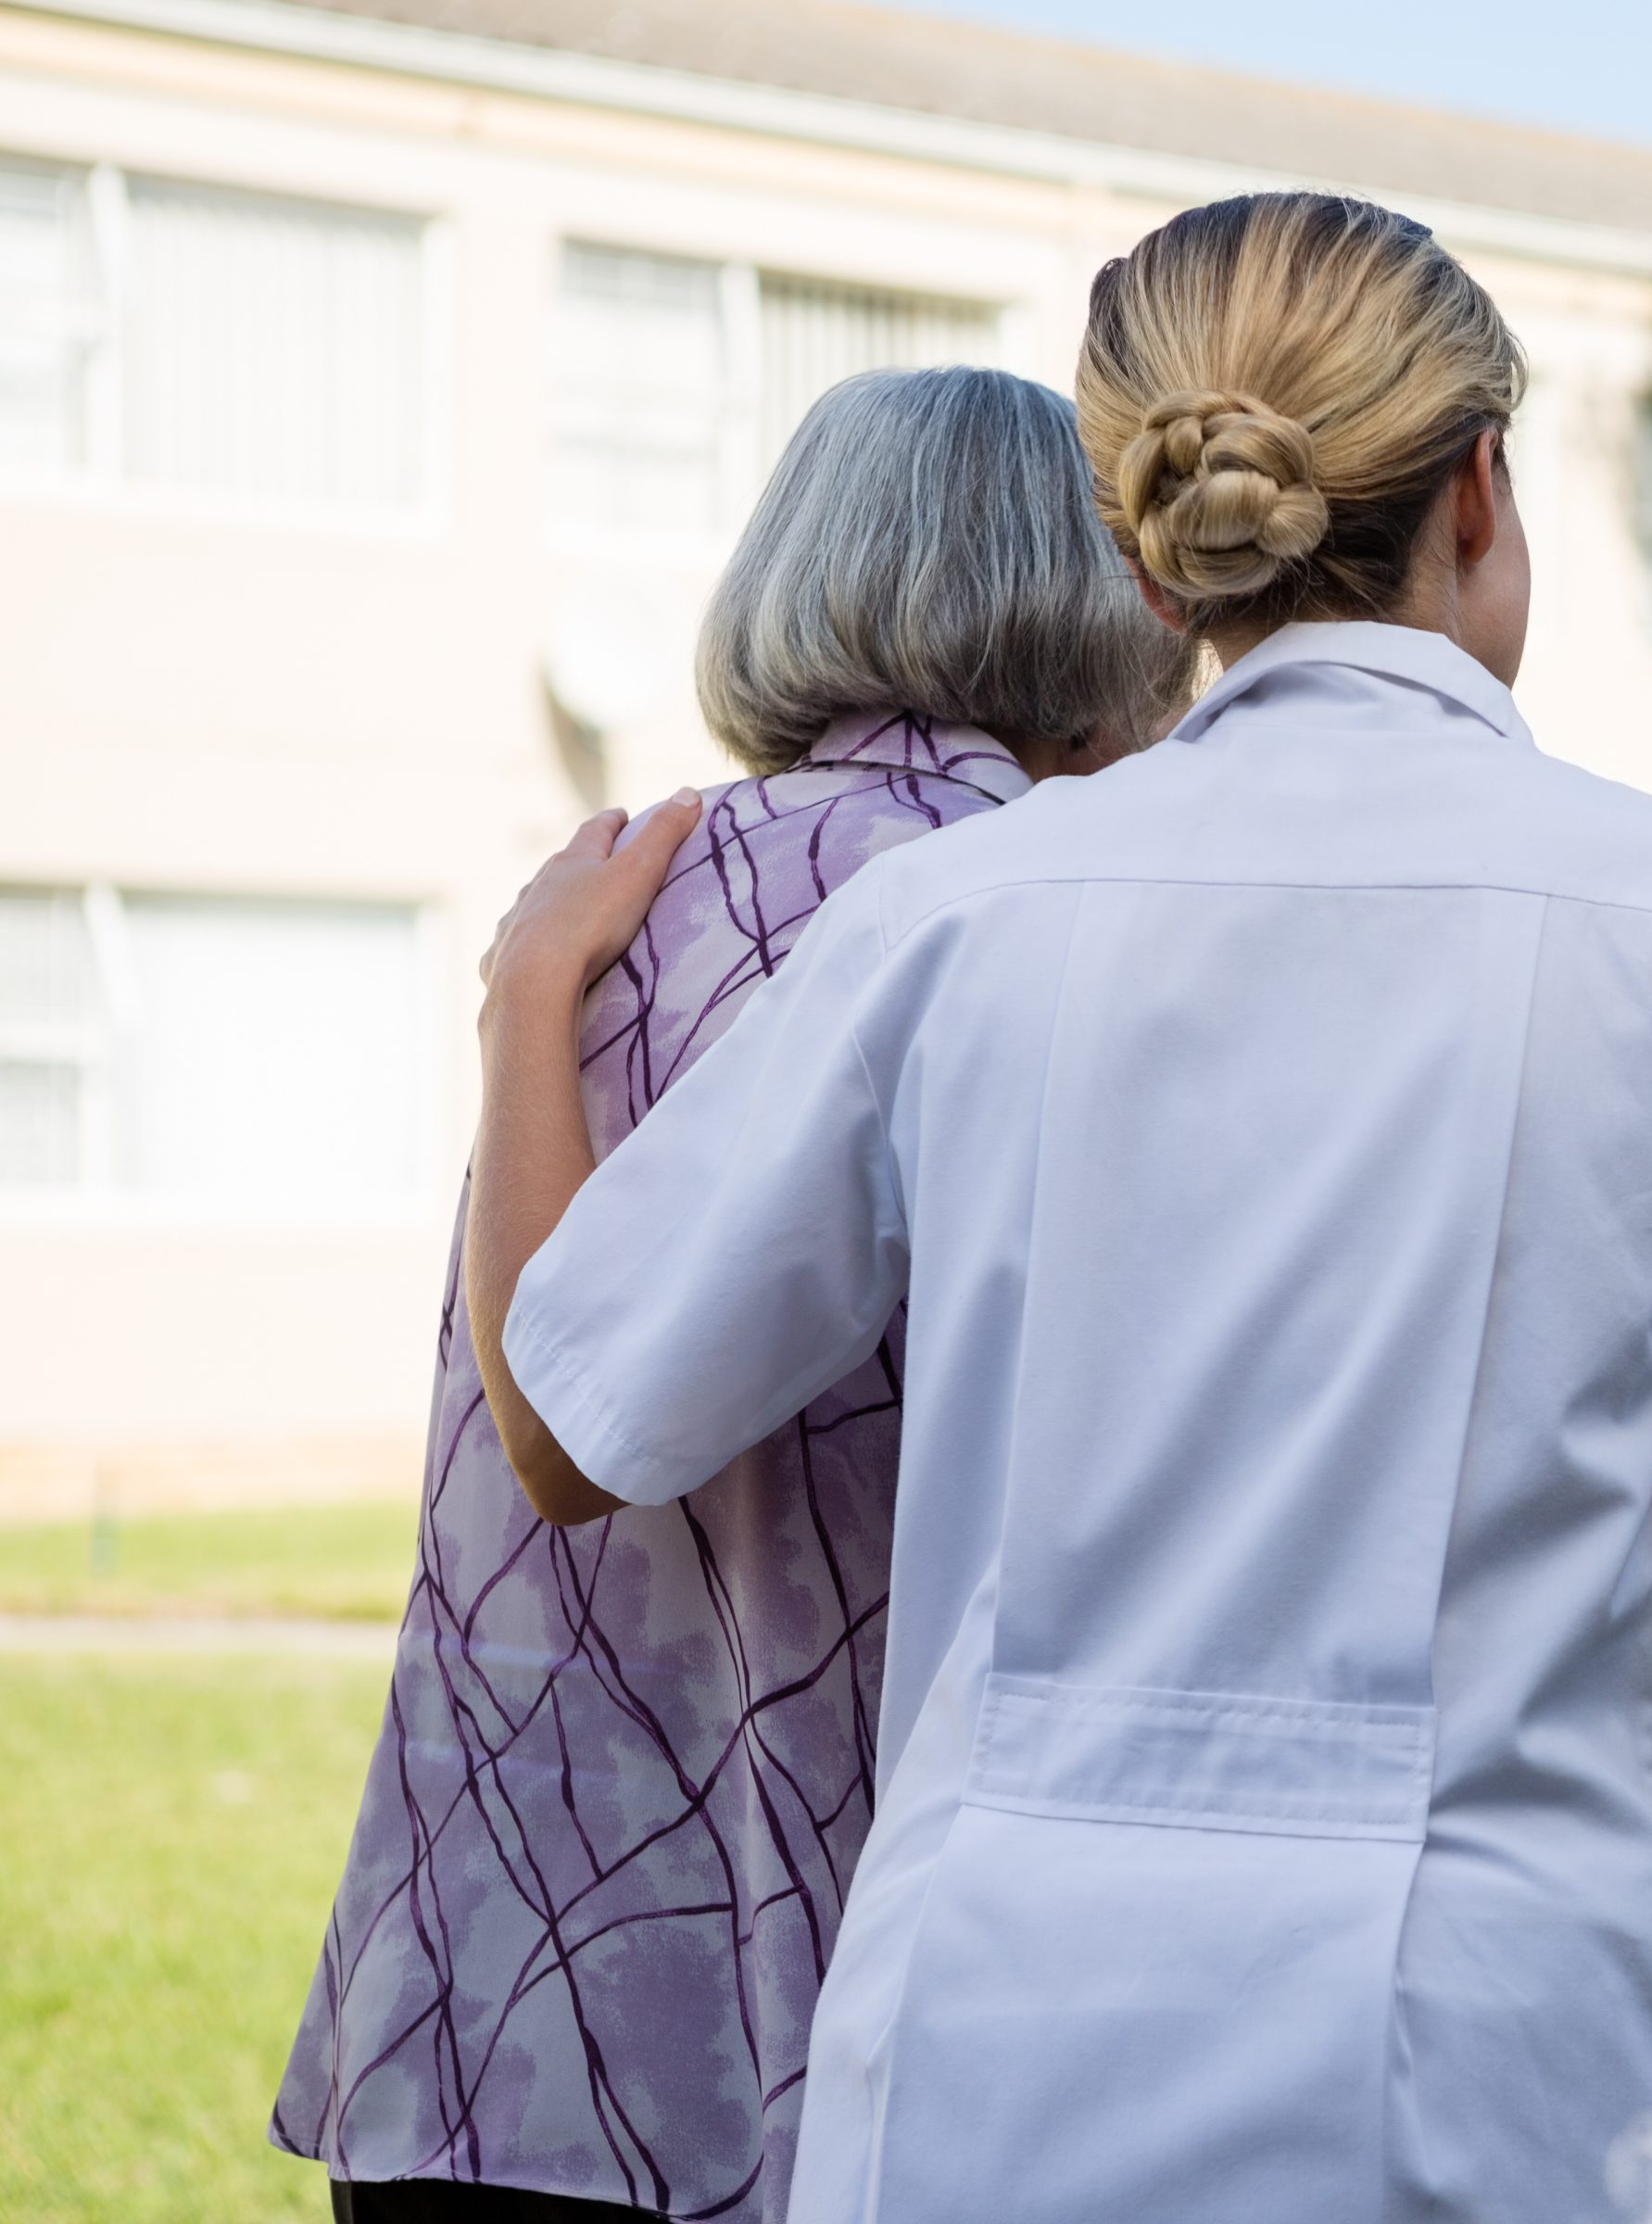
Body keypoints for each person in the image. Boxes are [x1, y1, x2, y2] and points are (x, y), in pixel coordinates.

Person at [466, 192, 1652, 2224]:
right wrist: (1522, 1771)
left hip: (981, 2087)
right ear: (1483, 488)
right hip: (1499, 2085)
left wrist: (522, 1007)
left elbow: (568, 1428)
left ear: (1144, 551)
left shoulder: (945, 927)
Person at [271, 366, 1194, 2224]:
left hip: (505, 1982)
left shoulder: (618, 895)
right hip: (897, 2032)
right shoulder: (1080, 920)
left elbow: (537, 1400)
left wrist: (519, 1008)